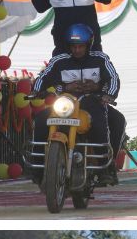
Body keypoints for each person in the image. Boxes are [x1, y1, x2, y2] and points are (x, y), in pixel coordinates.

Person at [28, 23, 125, 185]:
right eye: (74, 46)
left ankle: (105, 168)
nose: (77, 50)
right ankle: (37, 168)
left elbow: (113, 78)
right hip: (64, 105)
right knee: (40, 120)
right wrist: (39, 91)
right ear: (68, 46)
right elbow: (43, 77)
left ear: (88, 45)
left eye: (81, 46)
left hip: (93, 102)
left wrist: (105, 93)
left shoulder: (101, 59)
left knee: (111, 121)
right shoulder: (59, 61)